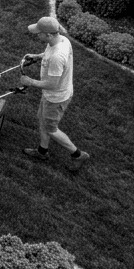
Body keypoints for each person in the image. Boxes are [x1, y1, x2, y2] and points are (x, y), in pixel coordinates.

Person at [20, 15, 89, 172]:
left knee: (51, 129)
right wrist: (38, 57)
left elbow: (52, 84)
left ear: (48, 35)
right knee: (42, 119)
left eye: (39, 33)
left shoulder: (57, 56)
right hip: (51, 95)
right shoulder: (61, 40)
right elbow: (49, 53)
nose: (37, 34)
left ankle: (78, 155)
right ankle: (42, 151)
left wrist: (30, 82)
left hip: (56, 98)